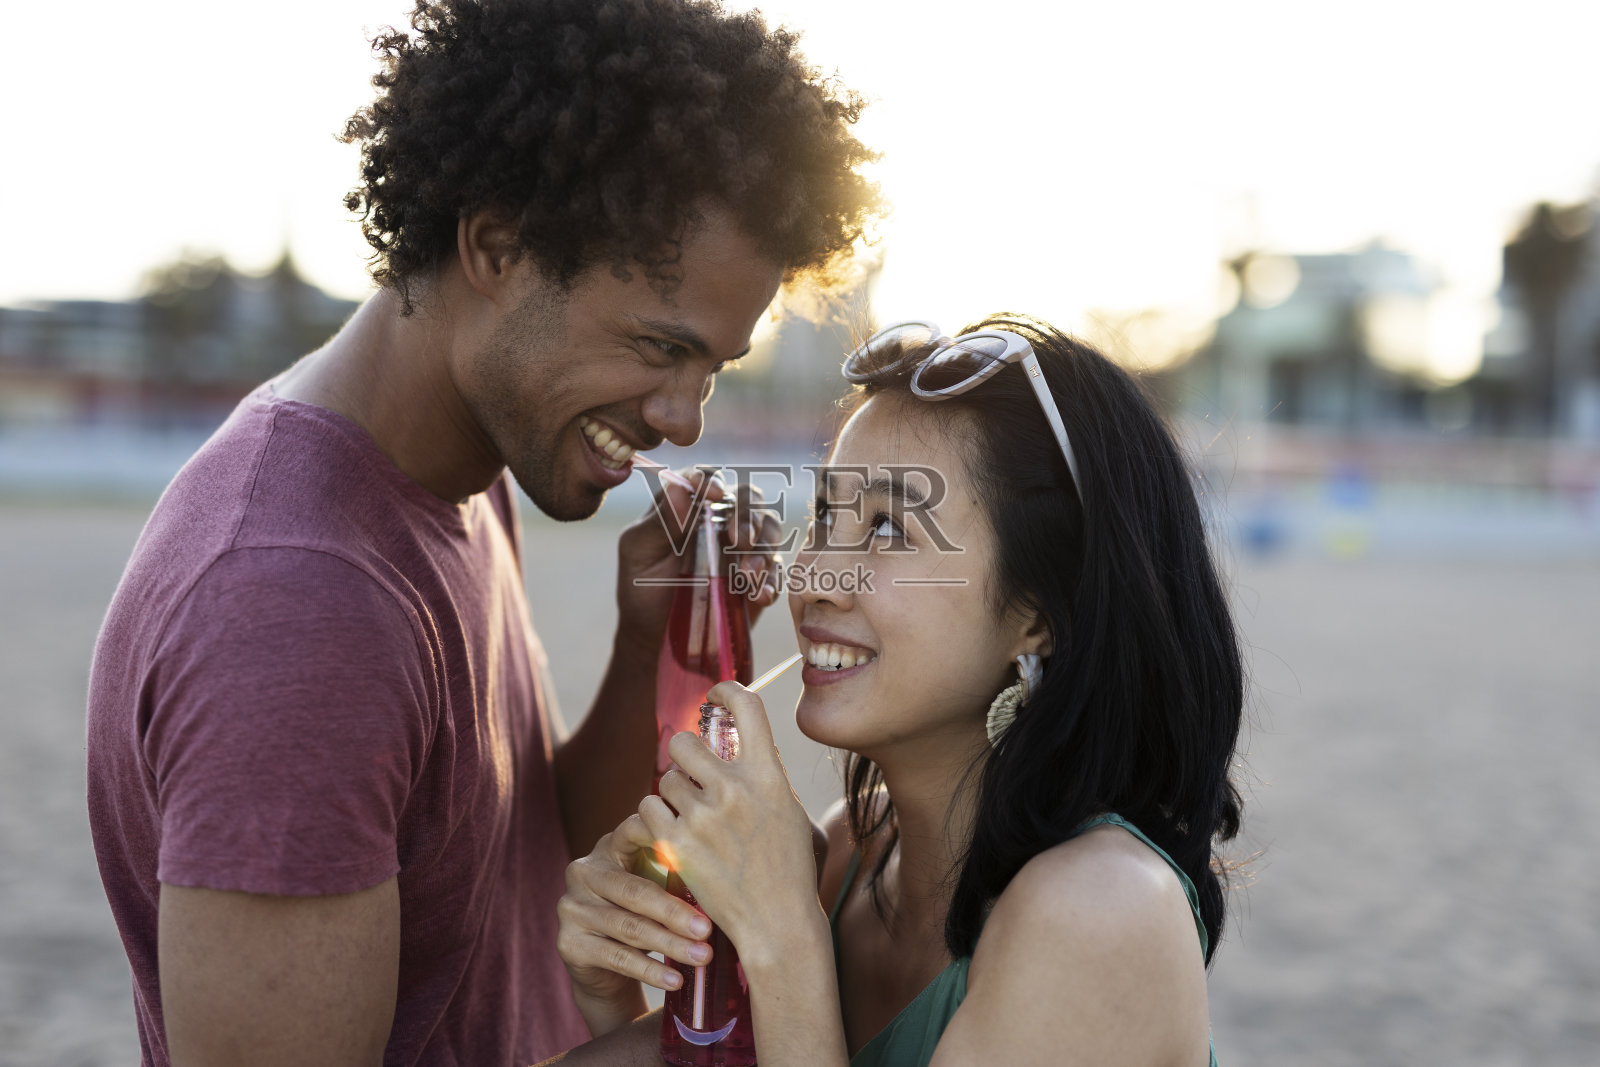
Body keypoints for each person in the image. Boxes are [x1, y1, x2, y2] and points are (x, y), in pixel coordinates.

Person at [84, 1, 880, 1064]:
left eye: (713, 368)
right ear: (497, 248)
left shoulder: (458, 473)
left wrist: (650, 643)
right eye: (659, 346)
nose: (684, 418)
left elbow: (525, 856)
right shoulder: (294, 603)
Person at [554, 315, 1245, 1066]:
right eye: (826, 516)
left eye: (888, 530)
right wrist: (621, 992)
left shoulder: (1104, 910)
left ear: (1040, 617)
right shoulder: (849, 854)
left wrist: (782, 933)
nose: (815, 576)